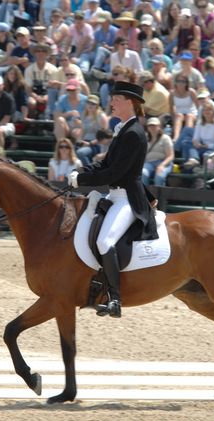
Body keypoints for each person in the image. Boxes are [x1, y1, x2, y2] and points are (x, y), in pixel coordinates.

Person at [67, 81, 158, 318]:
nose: (112, 103)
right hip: (114, 195)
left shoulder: (134, 133)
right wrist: (81, 170)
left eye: (116, 99)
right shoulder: (122, 129)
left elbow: (115, 173)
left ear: (130, 103)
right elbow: (105, 163)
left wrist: (83, 180)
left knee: (105, 242)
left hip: (127, 198)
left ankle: (115, 298)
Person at [142, 116, 174, 186]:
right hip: (149, 163)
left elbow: (170, 156)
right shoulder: (145, 138)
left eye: (154, 125)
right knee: (143, 173)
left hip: (164, 163)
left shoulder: (165, 138)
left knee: (159, 177)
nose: (152, 127)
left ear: (159, 126)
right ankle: (146, 195)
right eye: (150, 125)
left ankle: (160, 196)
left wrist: (161, 165)